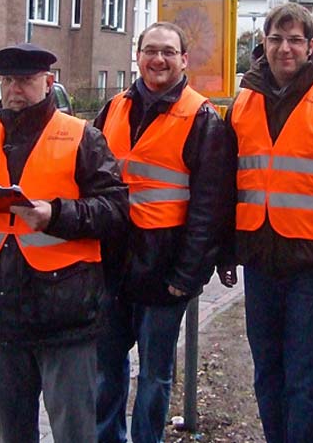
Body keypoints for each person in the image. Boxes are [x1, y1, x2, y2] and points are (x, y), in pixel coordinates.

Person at [0, 42, 128, 443]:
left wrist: (55, 215)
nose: (14, 90)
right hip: (1, 310)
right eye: (7, 80)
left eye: (24, 80)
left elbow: (115, 211)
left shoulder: (81, 138)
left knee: (74, 430)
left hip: (65, 313)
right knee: (13, 433)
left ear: (47, 82)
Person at [217, 2, 313, 442]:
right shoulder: (243, 102)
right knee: (267, 374)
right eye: (276, 39)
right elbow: (230, 184)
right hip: (261, 261)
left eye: (295, 40)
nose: (285, 48)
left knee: (304, 382)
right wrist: (226, 250)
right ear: (264, 43)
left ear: (310, 46)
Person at [93, 22, 231, 443]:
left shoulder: (202, 117)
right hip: (112, 264)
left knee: (154, 377)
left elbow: (210, 208)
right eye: (151, 50)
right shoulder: (114, 107)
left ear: (184, 60)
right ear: (137, 56)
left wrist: (187, 278)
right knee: (106, 370)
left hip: (164, 270)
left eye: (169, 52)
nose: (158, 59)